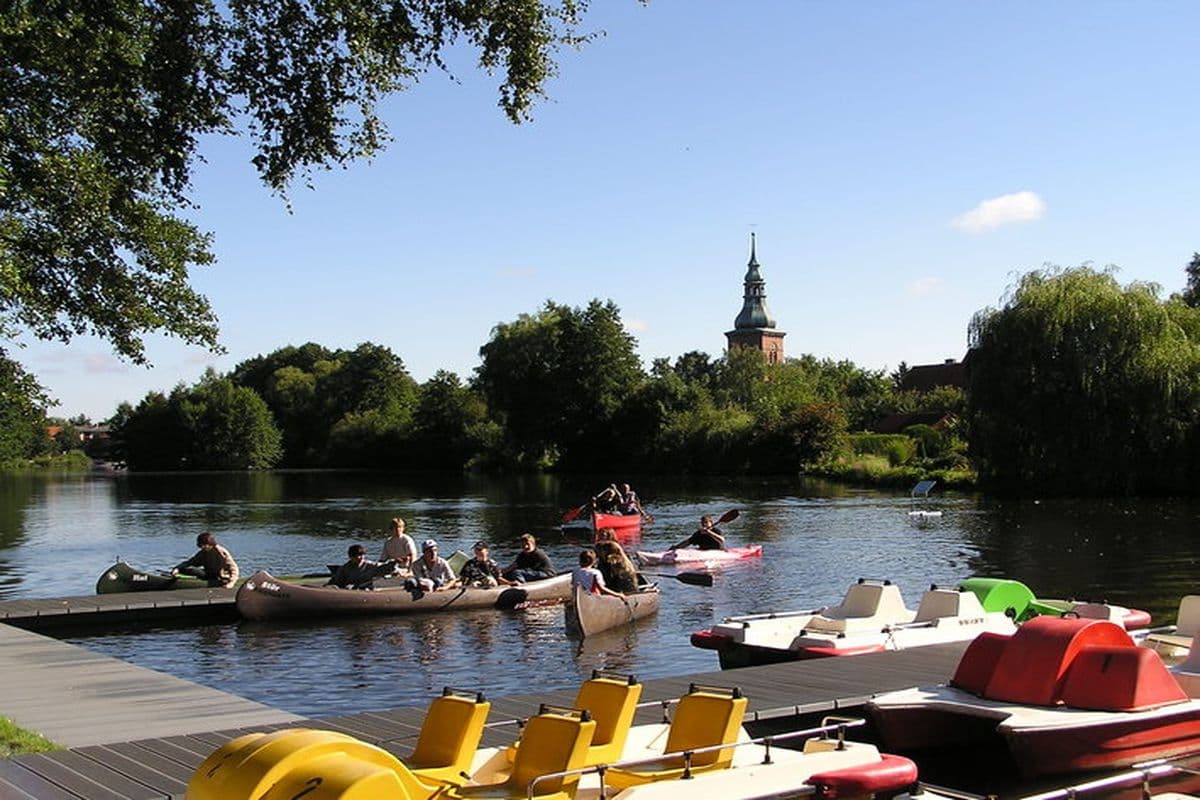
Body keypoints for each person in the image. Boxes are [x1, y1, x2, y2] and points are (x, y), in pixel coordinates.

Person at [172, 532, 239, 588]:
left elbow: (234, 568)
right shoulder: (203, 552)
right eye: (201, 546)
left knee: (192, 570)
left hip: (220, 577)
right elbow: (191, 562)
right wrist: (177, 568)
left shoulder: (221, 552)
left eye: (204, 545)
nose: (202, 547)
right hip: (209, 573)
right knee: (188, 569)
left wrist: (231, 583)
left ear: (210, 544)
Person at [327, 544, 399, 590]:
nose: (361, 557)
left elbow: (384, 568)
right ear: (351, 557)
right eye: (358, 555)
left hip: (366, 590)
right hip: (350, 591)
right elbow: (336, 581)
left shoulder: (370, 565)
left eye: (362, 555)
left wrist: (394, 562)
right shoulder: (345, 568)